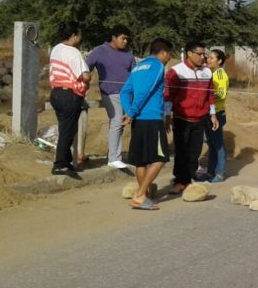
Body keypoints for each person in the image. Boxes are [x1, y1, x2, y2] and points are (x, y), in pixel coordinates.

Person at [120, 38, 173, 210]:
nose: (169, 59)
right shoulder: (157, 66)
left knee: (141, 162)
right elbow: (145, 91)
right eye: (169, 55)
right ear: (163, 52)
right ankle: (141, 195)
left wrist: (130, 111)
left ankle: (147, 193)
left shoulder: (137, 67)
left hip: (139, 122)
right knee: (160, 158)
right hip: (151, 119)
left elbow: (124, 91)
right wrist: (132, 112)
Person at [164, 41, 218, 194]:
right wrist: (167, 116)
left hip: (200, 119)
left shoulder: (207, 72)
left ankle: (189, 178)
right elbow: (168, 96)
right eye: (199, 54)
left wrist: (212, 114)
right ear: (189, 54)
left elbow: (210, 95)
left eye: (204, 54)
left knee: (195, 152)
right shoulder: (176, 72)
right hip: (182, 119)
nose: (203, 57)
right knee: (182, 151)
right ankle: (180, 181)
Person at [86, 25, 136, 169]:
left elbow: (134, 72)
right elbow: (85, 68)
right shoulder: (99, 51)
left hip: (128, 94)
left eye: (127, 39)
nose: (125, 41)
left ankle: (136, 154)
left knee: (134, 122)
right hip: (110, 92)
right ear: (114, 37)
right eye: (123, 38)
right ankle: (114, 158)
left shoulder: (129, 53)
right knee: (117, 120)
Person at [48, 22, 91, 178]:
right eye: (79, 35)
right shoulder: (73, 52)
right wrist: (88, 79)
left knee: (65, 129)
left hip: (56, 93)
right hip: (70, 95)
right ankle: (59, 164)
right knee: (68, 131)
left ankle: (66, 162)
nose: (80, 38)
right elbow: (85, 75)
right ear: (73, 36)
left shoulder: (55, 49)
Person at [203, 49, 229, 183]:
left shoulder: (219, 74)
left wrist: (205, 97)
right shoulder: (212, 73)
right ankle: (210, 171)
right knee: (212, 144)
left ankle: (220, 173)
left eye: (212, 58)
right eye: (208, 58)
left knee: (218, 144)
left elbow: (221, 93)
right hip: (210, 113)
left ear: (219, 61)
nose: (208, 60)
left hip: (217, 113)